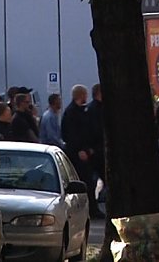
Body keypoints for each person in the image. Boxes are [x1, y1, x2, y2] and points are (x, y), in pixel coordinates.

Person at [62, 84, 103, 218]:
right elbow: (71, 135)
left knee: (89, 182)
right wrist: (80, 150)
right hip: (78, 154)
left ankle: (91, 209)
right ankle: (89, 210)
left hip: (85, 152)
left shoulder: (79, 111)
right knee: (85, 182)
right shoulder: (72, 112)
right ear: (81, 96)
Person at [86, 84, 105, 205]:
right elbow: (95, 129)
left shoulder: (91, 108)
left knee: (96, 176)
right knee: (96, 176)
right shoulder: (96, 109)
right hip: (96, 149)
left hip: (95, 148)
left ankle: (98, 198)